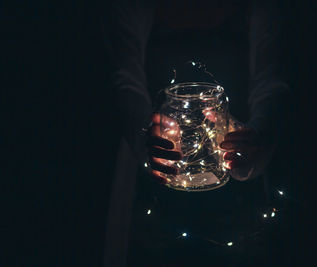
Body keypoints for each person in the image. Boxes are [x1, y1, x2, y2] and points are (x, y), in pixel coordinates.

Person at [103, 0, 290, 266]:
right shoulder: (132, 7)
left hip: (241, 191)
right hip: (151, 187)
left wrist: (257, 139)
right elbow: (124, 78)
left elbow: (272, 82)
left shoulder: (261, 8)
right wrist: (145, 136)